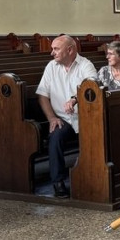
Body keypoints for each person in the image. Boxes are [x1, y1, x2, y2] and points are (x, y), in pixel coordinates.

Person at [36, 34, 97, 198]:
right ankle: (58, 182)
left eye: (56, 49)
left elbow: (92, 87)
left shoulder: (85, 65)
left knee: (97, 138)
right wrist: (51, 118)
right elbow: (42, 95)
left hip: (86, 118)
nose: (52, 53)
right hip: (63, 119)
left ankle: (94, 179)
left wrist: (75, 99)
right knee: (55, 137)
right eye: (52, 49)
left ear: (70, 50)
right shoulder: (51, 66)